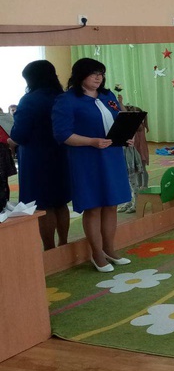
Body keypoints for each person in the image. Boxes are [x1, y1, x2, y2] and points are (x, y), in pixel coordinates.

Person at [52, 58, 131, 272]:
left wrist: (126, 135)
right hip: (86, 158)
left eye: (101, 74)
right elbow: (62, 134)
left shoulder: (107, 95)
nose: (99, 78)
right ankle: (97, 254)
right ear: (80, 75)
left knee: (112, 204)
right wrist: (91, 141)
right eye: (94, 73)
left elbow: (118, 120)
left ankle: (110, 249)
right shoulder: (67, 100)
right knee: (94, 206)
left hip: (112, 156)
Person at [9, 60, 71, 250]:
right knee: (60, 202)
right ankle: (64, 243)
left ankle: (49, 249)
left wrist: (11, 140)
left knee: (43, 205)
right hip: (62, 155)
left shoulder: (29, 100)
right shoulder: (63, 97)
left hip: (37, 159)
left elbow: (20, 134)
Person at [116, 99, 149, 214]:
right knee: (125, 181)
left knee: (132, 180)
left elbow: (126, 116)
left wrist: (120, 103)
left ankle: (136, 202)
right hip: (119, 153)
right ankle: (128, 201)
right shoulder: (119, 124)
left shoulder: (130, 125)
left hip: (128, 154)